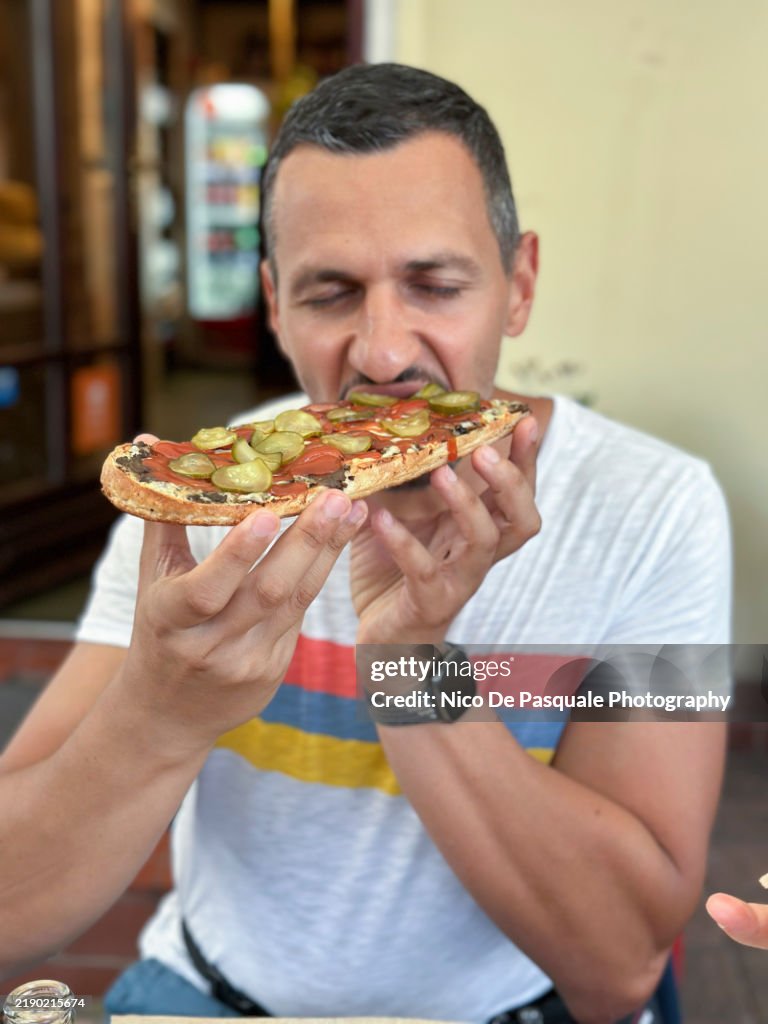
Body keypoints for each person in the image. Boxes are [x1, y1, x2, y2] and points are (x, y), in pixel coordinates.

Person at [0, 63, 731, 1024]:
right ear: (273, 304)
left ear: (519, 286)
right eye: (330, 293)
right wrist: (164, 708)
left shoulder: (655, 507)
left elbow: (620, 968)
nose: (384, 353)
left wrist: (412, 666)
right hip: (212, 991)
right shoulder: (194, 510)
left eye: (436, 285)